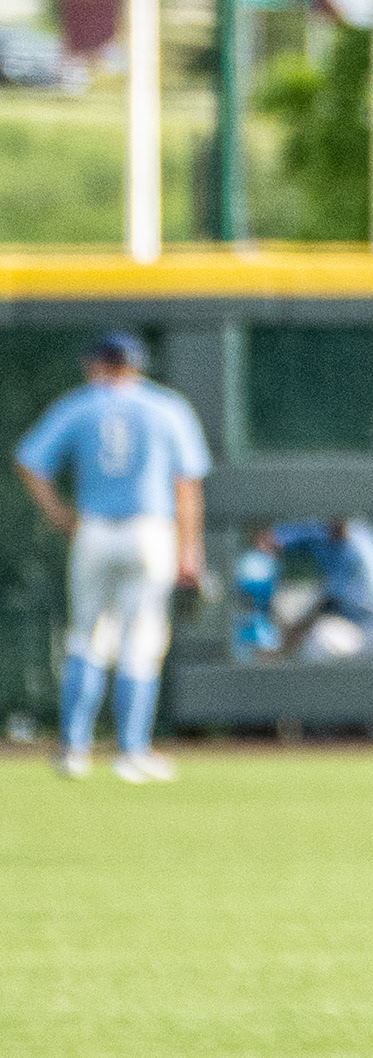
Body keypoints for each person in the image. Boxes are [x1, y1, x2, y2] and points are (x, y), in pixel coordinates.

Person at [12, 330, 209, 782]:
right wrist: (190, 550)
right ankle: (131, 752)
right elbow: (187, 486)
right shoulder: (166, 406)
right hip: (149, 533)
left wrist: (59, 512)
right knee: (140, 641)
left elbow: (29, 460)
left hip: (95, 532)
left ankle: (74, 749)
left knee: (86, 637)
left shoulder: (80, 404)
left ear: (100, 363)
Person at [269, 517, 373, 659]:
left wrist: (286, 642)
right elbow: (274, 540)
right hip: (362, 621)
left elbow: (328, 603)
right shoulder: (326, 531)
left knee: (318, 642)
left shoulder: (355, 548)